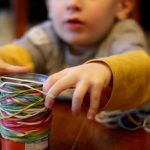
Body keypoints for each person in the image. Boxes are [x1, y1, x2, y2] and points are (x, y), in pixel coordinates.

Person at [0, 0, 148, 120]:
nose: (73, 3)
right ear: (48, 5)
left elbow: (142, 67)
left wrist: (104, 69)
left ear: (123, 6)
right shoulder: (45, 35)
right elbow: (16, 55)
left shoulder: (123, 32)